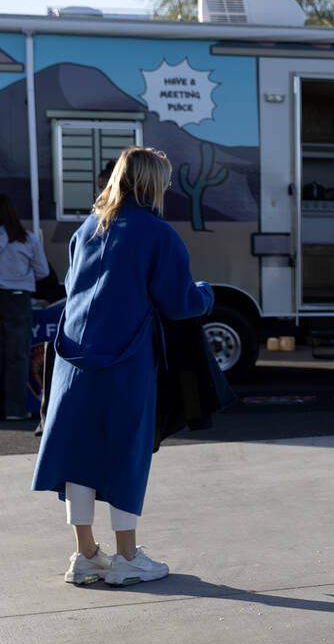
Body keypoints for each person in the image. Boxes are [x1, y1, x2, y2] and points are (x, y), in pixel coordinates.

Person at [31, 147, 214, 587]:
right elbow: (180, 301)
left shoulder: (88, 227)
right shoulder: (157, 233)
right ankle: (128, 558)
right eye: (166, 181)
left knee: (77, 454)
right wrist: (206, 293)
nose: (169, 187)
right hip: (126, 358)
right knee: (125, 453)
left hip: (72, 357)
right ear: (153, 184)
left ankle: (86, 555)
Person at [0, 193, 50, 421]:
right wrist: (22, 276)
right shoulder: (27, 239)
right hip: (18, 299)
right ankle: (15, 410)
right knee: (17, 356)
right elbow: (43, 272)